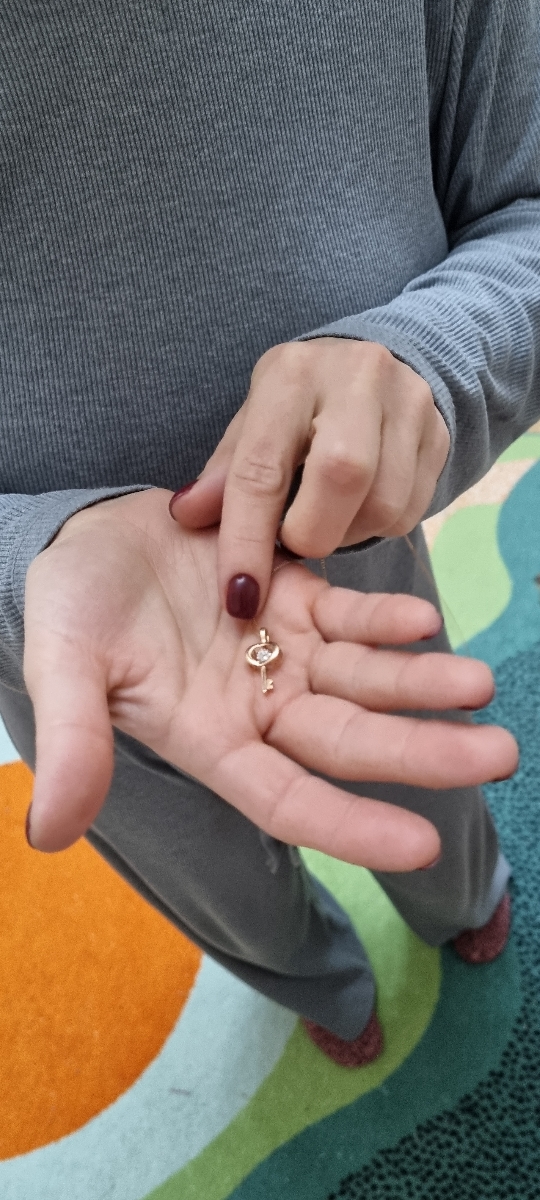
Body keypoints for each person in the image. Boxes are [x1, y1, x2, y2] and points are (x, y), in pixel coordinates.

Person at [1, 0, 537, 1066]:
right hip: (59, 638)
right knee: (214, 878)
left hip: (348, 550)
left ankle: (462, 898)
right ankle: (320, 985)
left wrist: (428, 357)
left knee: (423, 777)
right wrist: (21, 552)